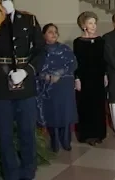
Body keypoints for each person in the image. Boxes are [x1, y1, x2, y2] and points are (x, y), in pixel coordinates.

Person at [0, 0, 44, 180]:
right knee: (4, 134)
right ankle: (11, 175)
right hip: (0, 83)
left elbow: (41, 50)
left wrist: (27, 71)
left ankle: (28, 172)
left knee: (27, 130)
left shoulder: (29, 19)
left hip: (25, 83)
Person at [36, 23, 78, 153]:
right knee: (52, 113)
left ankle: (66, 140)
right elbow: (35, 68)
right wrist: (45, 76)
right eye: (50, 32)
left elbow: (73, 64)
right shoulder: (39, 51)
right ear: (43, 35)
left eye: (55, 32)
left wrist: (59, 73)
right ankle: (54, 141)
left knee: (65, 113)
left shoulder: (65, 48)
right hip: (48, 88)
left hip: (64, 86)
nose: (54, 34)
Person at [73, 11, 108, 146]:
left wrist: (105, 75)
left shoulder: (100, 40)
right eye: (90, 23)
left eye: (95, 23)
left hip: (98, 77)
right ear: (83, 25)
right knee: (85, 106)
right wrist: (77, 79)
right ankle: (86, 135)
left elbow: (103, 60)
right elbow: (77, 62)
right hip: (84, 78)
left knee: (99, 105)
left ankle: (99, 134)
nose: (93, 26)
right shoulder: (78, 42)